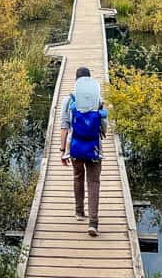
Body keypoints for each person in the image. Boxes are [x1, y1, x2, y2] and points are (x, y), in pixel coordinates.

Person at [59, 66, 107, 236]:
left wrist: (62, 149)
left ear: (76, 80)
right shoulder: (98, 99)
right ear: (90, 79)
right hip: (94, 147)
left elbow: (64, 126)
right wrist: (102, 133)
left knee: (77, 176)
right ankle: (93, 223)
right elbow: (103, 125)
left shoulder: (69, 99)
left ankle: (79, 212)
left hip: (76, 147)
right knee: (93, 182)